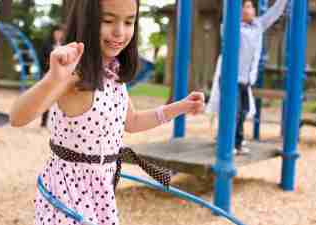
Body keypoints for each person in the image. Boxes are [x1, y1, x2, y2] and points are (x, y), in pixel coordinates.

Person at [10, 0, 205, 224]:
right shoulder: (75, 75)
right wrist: (53, 79)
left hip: (102, 190)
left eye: (129, 21)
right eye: (108, 20)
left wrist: (180, 107)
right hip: (68, 191)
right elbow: (17, 117)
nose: (119, 32)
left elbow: (132, 121)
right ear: (86, 20)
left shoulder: (113, 75)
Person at [207, 0, 288, 155]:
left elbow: (274, 12)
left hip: (245, 79)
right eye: (247, 7)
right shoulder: (231, 26)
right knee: (233, 111)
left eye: (251, 6)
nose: (251, 10)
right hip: (230, 78)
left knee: (244, 111)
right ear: (238, 10)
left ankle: (237, 143)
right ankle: (226, 143)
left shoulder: (258, 25)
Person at [39, 24, 65, 127]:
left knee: (60, 98)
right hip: (48, 74)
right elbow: (41, 58)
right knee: (47, 97)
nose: (59, 34)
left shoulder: (65, 44)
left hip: (62, 76)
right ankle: (44, 121)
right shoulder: (47, 44)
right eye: (57, 32)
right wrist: (48, 67)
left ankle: (60, 123)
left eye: (60, 32)